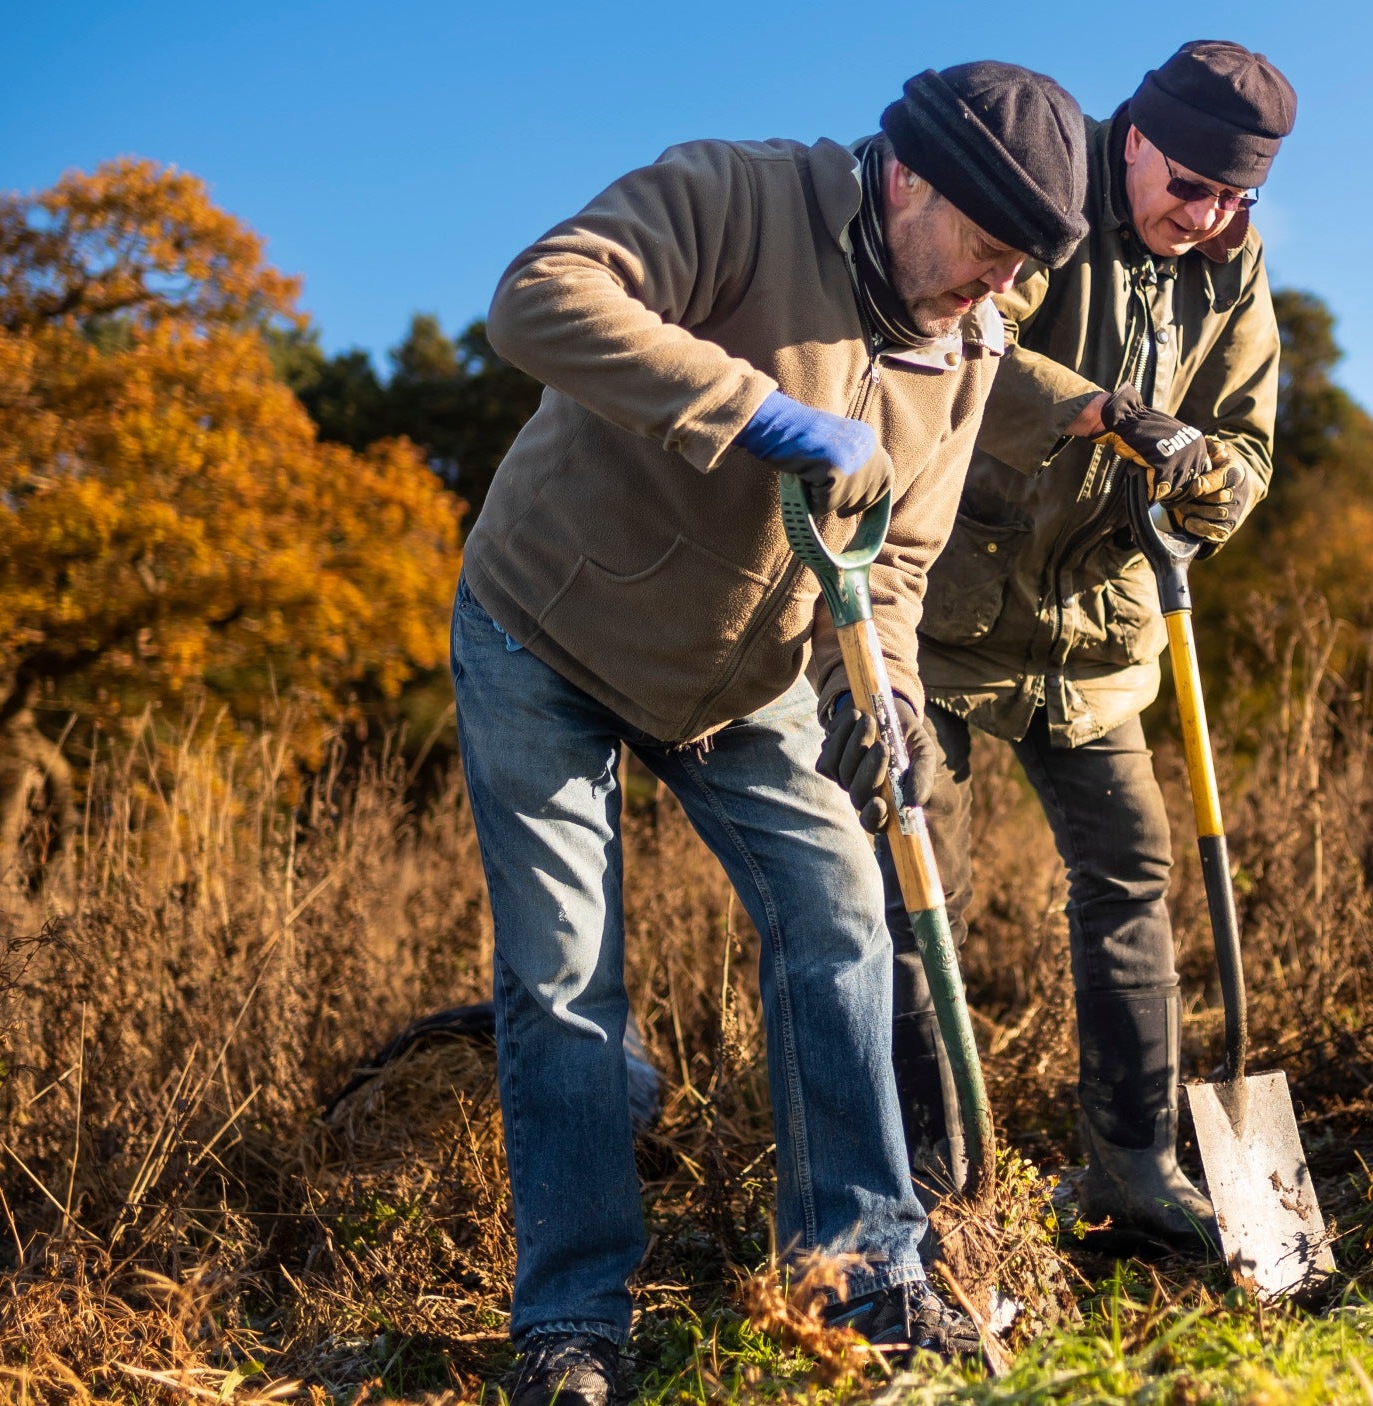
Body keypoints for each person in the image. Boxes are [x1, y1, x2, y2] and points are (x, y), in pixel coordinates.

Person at [456, 62, 1088, 1405]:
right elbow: (538, 296)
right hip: (548, 627)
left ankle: (859, 1274)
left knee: (843, 911)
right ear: (910, 178)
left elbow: (899, 563)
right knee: (568, 971)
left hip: (748, 679)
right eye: (986, 250)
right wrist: (753, 408)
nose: (996, 289)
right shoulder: (741, 196)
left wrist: (894, 700)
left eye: (1019, 267)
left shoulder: (971, 345)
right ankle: (572, 1320)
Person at [876, 40, 1293, 1256]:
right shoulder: (1046, 193)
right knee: (917, 888)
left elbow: (1249, 438)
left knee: (1128, 875)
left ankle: (1136, 1162)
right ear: (1136, 138)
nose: (1206, 215)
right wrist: (1104, 410)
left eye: (1236, 197)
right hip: (948, 608)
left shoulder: (1230, 259)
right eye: (1191, 185)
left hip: (1097, 630)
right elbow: (966, 348)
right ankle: (942, 1192)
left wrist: (1213, 482)